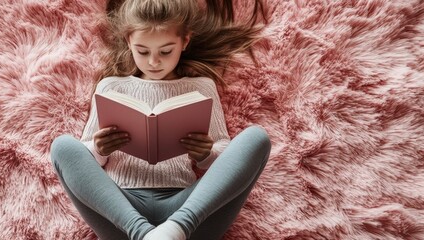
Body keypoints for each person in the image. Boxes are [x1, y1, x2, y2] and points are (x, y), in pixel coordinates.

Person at [50, 0, 271, 239]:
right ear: (128, 42)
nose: (153, 62)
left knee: (256, 138)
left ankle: (175, 228)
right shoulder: (110, 86)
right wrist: (99, 148)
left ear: (184, 41)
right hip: (122, 211)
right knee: (62, 146)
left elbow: (225, 155)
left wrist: (206, 153)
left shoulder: (202, 88)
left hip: (188, 208)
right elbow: (81, 160)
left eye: (166, 51)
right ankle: (144, 233)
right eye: (142, 51)